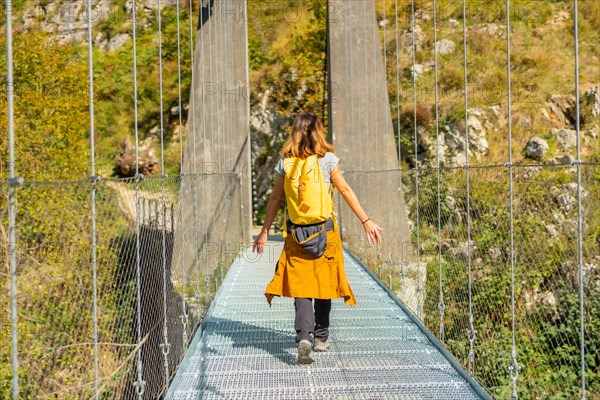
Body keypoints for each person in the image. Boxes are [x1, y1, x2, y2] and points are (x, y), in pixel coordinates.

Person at [252, 111, 383, 364]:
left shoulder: (285, 163)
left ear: (294, 132)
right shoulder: (328, 160)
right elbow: (344, 190)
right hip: (326, 233)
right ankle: (321, 338)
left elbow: (276, 199)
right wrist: (366, 221)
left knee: (302, 287)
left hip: (296, 235)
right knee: (323, 283)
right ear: (318, 132)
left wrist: (265, 231)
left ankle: (304, 337)